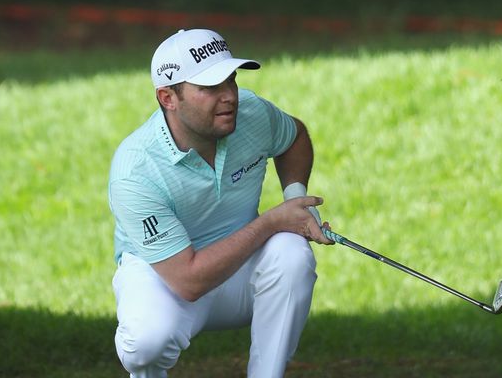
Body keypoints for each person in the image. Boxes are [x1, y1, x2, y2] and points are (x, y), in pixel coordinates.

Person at [108, 28, 334, 378]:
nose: (229, 96)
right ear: (168, 97)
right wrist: (273, 220)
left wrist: (295, 198)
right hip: (165, 278)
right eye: (210, 87)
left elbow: (295, 136)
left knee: (292, 254)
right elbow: (187, 280)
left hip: (240, 270)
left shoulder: (253, 115)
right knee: (147, 342)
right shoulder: (135, 170)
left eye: (231, 80)